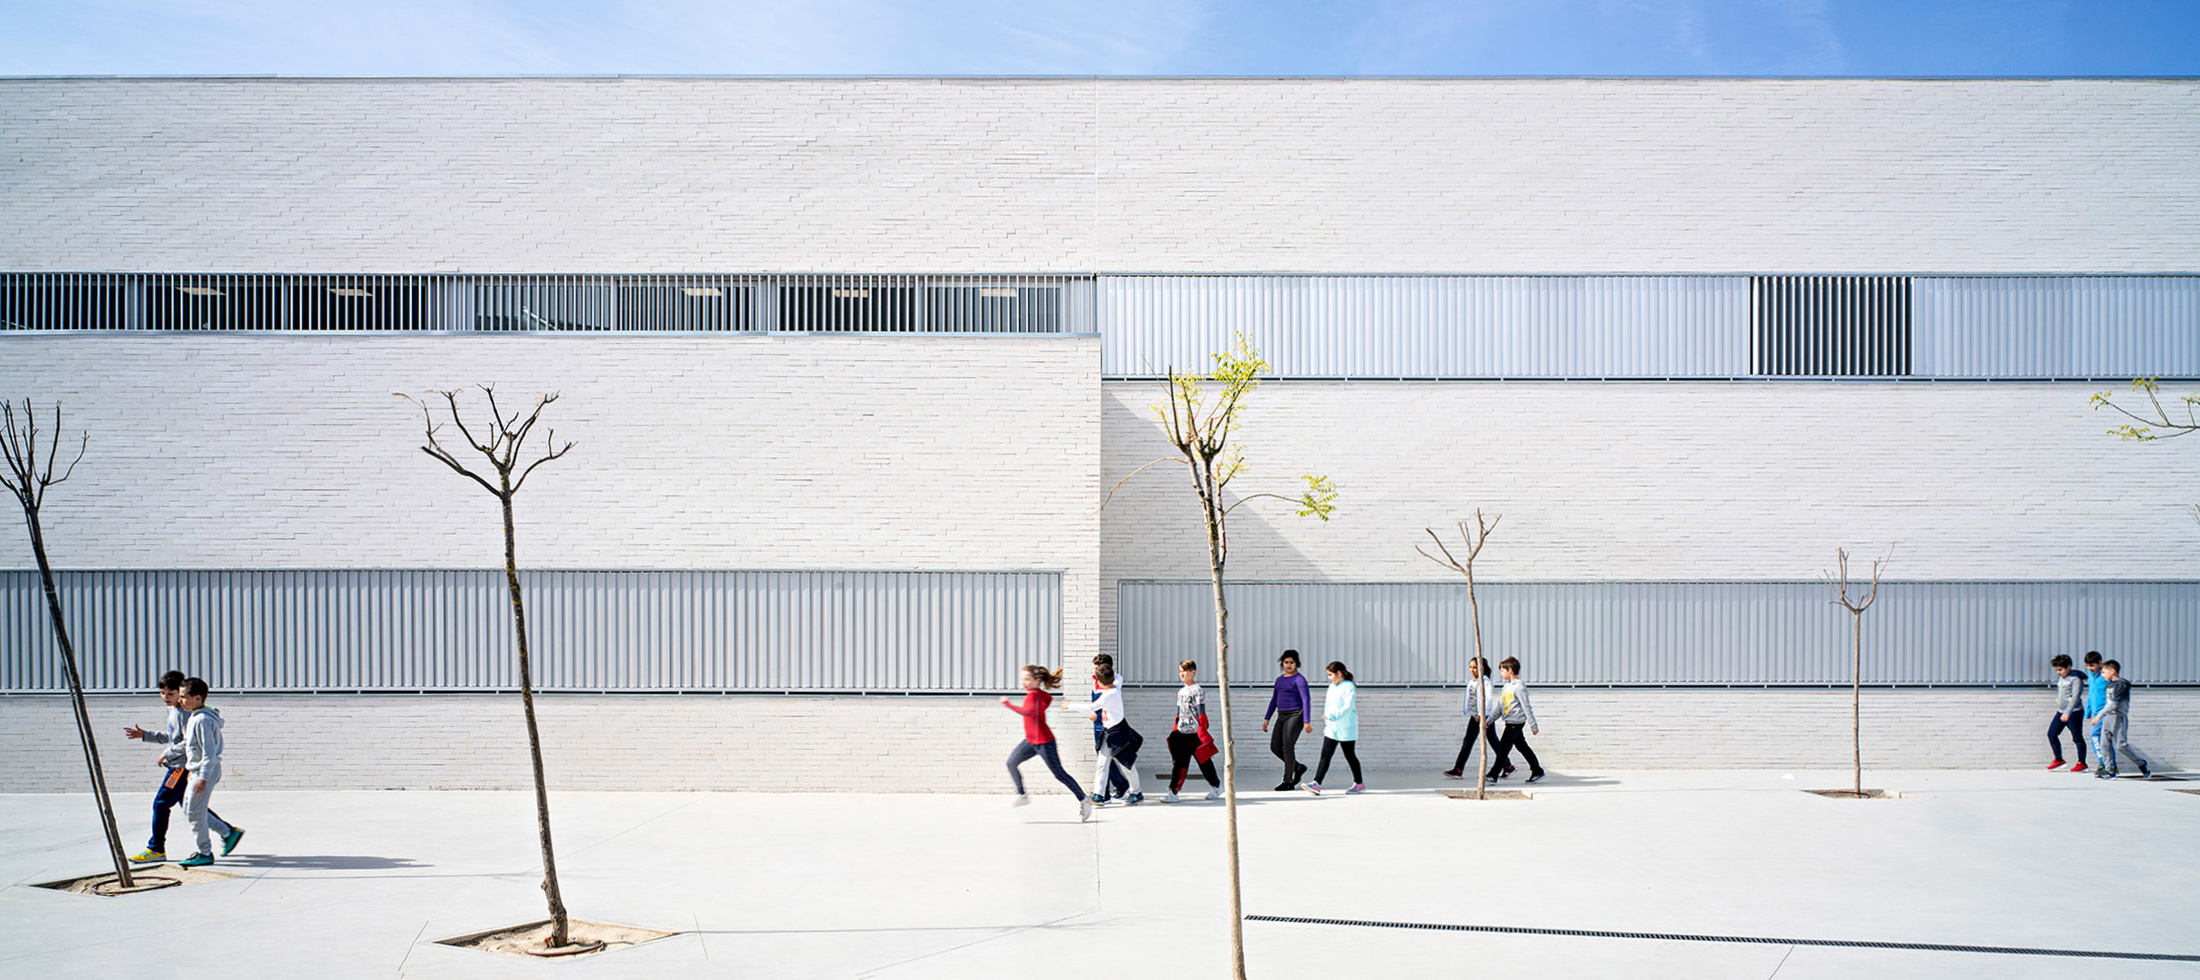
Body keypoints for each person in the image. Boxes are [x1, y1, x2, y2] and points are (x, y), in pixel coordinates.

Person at [123, 670, 241, 864]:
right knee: (190, 807)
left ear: (182, 693)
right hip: (183, 766)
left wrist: (167, 754)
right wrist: (145, 735)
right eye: (162, 693)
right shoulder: (177, 710)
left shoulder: (190, 714)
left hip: (180, 767)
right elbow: (173, 738)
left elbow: (190, 744)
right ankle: (227, 832)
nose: (165, 698)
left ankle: (156, 848)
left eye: (171, 694)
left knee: (161, 803)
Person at [1001, 664, 1093, 822]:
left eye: (1027, 680)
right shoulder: (1037, 694)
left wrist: (1008, 704)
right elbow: (1047, 699)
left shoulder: (1034, 695)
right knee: (1011, 763)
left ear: (1037, 680)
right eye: (1023, 679)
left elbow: (1028, 712)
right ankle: (1022, 795)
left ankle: (1084, 799)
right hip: (1030, 741)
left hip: (1045, 743)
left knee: (1059, 774)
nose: (1024, 683)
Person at [175, 678, 227, 867]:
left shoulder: (203, 720)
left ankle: (204, 852)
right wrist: (192, 769)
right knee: (190, 809)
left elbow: (209, 753)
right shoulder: (196, 717)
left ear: (197, 698)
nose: (180, 701)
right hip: (197, 771)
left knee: (195, 813)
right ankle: (227, 833)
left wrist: (203, 776)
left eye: (183, 697)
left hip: (205, 772)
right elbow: (195, 749)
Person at [1164, 660, 1223, 803]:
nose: (1182, 674)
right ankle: (1173, 792)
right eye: (1180, 671)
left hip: (1195, 734)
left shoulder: (1197, 690)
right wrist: (1175, 729)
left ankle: (1216, 786)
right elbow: (1179, 713)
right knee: (1180, 764)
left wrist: (1202, 731)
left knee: (1204, 762)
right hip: (1181, 734)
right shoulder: (1181, 692)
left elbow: (1201, 712)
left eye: (1184, 671)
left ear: (1193, 672)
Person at [1088, 662, 1145, 805]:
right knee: (1102, 763)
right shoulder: (1107, 689)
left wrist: (1069, 705)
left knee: (1127, 766)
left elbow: (1091, 706)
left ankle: (1136, 792)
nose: (1096, 672)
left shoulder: (1112, 692)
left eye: (1098, 670)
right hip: (1107, 732)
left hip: (1119, 734)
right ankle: (1099, 795)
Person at [1303, 661, 1364, 795]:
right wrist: (1328, 720)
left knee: (1350, 756)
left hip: (1346, 728)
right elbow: (1329, 706)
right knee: (1325, 755)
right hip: (1331, 728)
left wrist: (1333, 715)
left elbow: (1348, 707)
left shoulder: (1349, 686)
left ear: (1339, 673)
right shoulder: (1332, 686)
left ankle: (1359, 783)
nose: (1329, 678)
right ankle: (1316, 783)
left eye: (1330, 675)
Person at [1485, 657, 1546, 784]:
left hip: (1515, 723)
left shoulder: (1518, 688)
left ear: (1510, 670)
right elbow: (1500, 707)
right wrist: (1489, 720)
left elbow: (1526, 706)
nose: (1501, 674)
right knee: (1522, 747)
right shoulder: (1506, 687)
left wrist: (1533, 726)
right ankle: (1537, 770)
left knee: (1503, 748)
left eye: (1503, 671)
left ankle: (1493, 774)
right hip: (1510, 722)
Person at [2091, 659, 2153, 780]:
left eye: (2104, 672)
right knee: (2104, 745)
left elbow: (2114, 704)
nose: (2102, 675)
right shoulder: (2109, 685)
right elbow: (2108, 703)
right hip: (2107, 717)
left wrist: (2099, 715)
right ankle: (2110, 771)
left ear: (2112, 671)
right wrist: (2101, 714)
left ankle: (2142, 764)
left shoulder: (2122, 684)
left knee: (2120, 745)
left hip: (2118, 717)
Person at [1261, 650, 1313, 791]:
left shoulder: (1299, 679)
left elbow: (1306, 699)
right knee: (1275, 747)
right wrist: (1267, 718)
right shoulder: (1279, 680)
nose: (1288, 665)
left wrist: (1306, 721)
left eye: (1291, 662)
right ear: (1282, 663)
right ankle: (1297, 767)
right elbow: (1274, 700)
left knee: (1287, 747)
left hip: (1296, 715)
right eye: (1286, 662)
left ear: (1296, 664)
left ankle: (1288, 781)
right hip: (1281, 715)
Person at [1444, 657, 1496, 779]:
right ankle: (1458, 769)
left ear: (1482, 668)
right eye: (1470, 667)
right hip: (1475, 717)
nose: (1472, 670)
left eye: (1475, 667)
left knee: (1493, 742)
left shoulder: (1485, 682)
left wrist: (1481, 714)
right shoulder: (1472, 681)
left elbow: (1488, 700)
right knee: (1468, 742)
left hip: (1484, 716)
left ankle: (1508, 766)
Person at [1090, 654, 1129, 803]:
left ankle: (1104, 794)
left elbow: (1107, 698)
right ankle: (1120, 784)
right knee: (1104, 756)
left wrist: (1095, 711)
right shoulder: (1096, 679)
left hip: (1107, 723)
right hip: (1098, 722)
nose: (1094, 672)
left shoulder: (1116, 681)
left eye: (1096, 668)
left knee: (1104, 758)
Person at [2046, 654, 2089, 772]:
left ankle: (2082, 763)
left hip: (2074, 712)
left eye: (2060, 669)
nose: (2059, 672)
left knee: (2077, 737)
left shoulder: (2076, 679)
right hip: (2061, 712)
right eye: (2056, 670)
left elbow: (2075, 697)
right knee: (2051, 734)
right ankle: (2059, 760)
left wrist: (2068, 712)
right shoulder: (2063, 678)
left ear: (2069, 666)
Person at [2081, 651, 2107, 773]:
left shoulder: (2105, 676)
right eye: (2087, 666)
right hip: (2095, 713)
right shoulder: (2091, 676)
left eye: (2092, 665)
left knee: (2094, 736)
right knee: (2104, 739)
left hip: (2105, 712)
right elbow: (2091, 695)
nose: (2089, 668)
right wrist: (2088, 712)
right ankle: (2111, 764)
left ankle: (2103, 763)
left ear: (2100, 663)